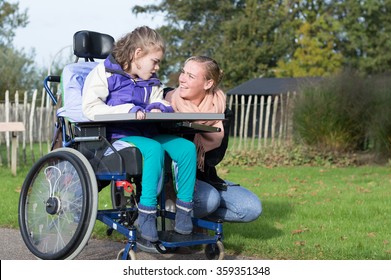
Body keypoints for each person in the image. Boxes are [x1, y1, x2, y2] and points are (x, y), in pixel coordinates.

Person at [82, 26, 197, 242]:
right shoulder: (105, 73)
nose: (157, 67)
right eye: (155, 61)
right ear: (138, 54)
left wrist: (159, 107)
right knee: (152, 149)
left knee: (187, 149)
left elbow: (159, 99)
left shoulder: (151, 79)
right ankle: (146, 216)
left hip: (148, 133)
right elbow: (90, 108)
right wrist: (128, 110)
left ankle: (183, 214)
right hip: (117, 137)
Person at [165, 56, 262, 223]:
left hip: (203, 177)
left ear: (208, 84)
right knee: (209, 200)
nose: (182, 79)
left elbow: (213, 158)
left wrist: (199, 125)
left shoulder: (221, 111)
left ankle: (195, 219)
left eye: (191, 76)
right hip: (170, 181)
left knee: (250, 208)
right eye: (183, 72)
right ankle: (165, 217)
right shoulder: (165, 103)